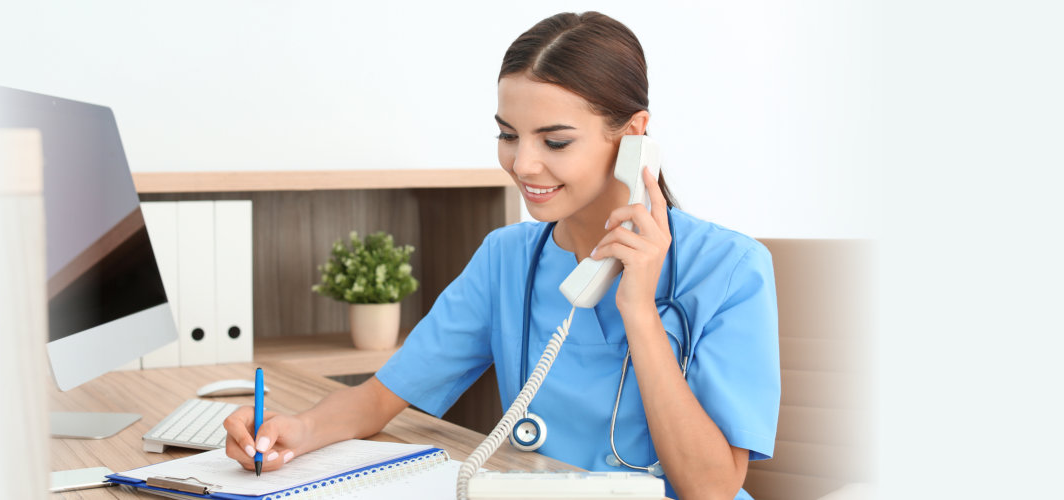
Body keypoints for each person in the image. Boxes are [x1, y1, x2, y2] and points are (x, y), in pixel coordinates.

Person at [221, 12, 778, 500]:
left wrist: (639, 310)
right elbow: (381, 397)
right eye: (509, 135)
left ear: (633, 137)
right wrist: (296, 431)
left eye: (555, 141)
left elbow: (711, 490)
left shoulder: (729, 268)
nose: (524, 165)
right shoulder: (506, 258)